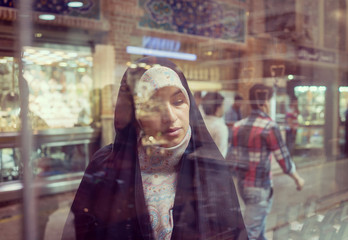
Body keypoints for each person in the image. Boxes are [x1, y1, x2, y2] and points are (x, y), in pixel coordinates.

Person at [62, 57, 247, 240]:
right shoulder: (106, 165)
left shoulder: (210, 166)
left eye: (178, 101)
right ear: (136, 116)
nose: (170, 116)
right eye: (154, 106)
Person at [228, 83, 305, 240]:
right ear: (265, 103)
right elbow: (283, 159)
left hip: (242, 186)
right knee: (249, 234)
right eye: (270, 100)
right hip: (259, 188)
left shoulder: (238, 126)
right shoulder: (270, 127)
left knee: (259, 229)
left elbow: (233, 159)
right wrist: (298, 179)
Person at [202, 92, 229, 158]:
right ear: (217, 109)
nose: (224, 108)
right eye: (223, 105)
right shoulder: (220, 127)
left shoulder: (200, 123)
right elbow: (220, 156)